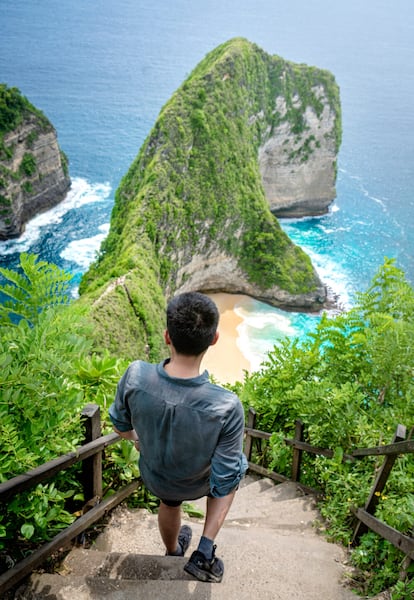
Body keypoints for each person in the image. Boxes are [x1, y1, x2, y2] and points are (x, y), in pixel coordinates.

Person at [109, 291, 248, 583]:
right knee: (235, 468)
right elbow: (224, 479)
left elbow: (119, 425)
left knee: (169, 503)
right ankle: (204, 551)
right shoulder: (225, 405)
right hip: (200, 481)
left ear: (167, 337)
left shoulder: (135, 376)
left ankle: (173, 551)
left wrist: (139, 440)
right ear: (214, 339)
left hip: (159, 478)